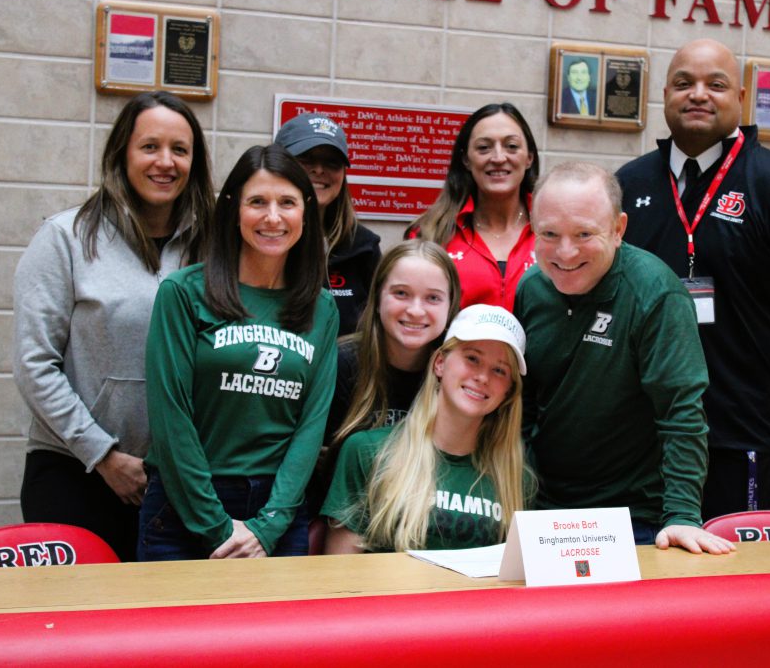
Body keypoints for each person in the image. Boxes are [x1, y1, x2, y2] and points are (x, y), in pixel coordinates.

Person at [616, 39, 770, 521]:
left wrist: (763, 383)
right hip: (638, 432)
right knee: (642, 581)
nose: (698, 94)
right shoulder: (629, 187)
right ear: (664, 94)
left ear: (740, 98)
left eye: (715, 84)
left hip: (735, 433)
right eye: (684, 83)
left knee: (728, 579)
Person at [12, 91, 213, 562]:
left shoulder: (212, 248)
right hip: (74, 471)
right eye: (150, 146)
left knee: (163, 627)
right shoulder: (65, 238)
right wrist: (103, 455)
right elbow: (33, 363)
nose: (165, 162)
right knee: (80, 626)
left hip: (180, 480)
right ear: (122, 152)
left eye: (179, 150)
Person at [515, 161, 733, 555]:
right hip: (545, 513)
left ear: (618, 229)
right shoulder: (531, 289)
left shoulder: (655, 293)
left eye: (584, 234)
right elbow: (526, 404)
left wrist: (682, 515)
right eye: (549, 234)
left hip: (633, 520)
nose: (565, 252)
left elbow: (681, 413)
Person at [140, 144, 338, 560]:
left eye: (287, 202)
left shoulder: (322, 308)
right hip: (184, 503)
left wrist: (269, 526)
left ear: (305, 212)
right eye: (257, 202)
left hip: (278, 509)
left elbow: (310, 426)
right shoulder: (182, 293)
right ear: (233, 209)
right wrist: (214, 525)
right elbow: (170, 416)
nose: (272, 217)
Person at [321, 304, 532, 553]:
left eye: (499, 370)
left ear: (508, 390)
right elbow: (342, 575)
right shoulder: (366, 452)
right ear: (440, 363)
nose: (483, 377)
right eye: (472, 358)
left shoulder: (515, 479)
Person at [306, 238, 461, 515]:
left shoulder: (456, 374)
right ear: (377, 298)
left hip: (424, 518)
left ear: (451, 307)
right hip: (342, 515)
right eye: (401, 293)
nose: (415, 310)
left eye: (433, 298)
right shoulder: (341, 364)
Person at [406, 103, 539, 312]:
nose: (498, 158)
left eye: (511, 146)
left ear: (529, 157)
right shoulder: (432, 233)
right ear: (466, 159)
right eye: (483, 147)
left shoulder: (554, 229)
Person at [275, 112, 381, 336]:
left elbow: (373, 332)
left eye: (332, 162)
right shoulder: (258, 235)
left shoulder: (364, 248)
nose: (319, 170)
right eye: (305, 159)